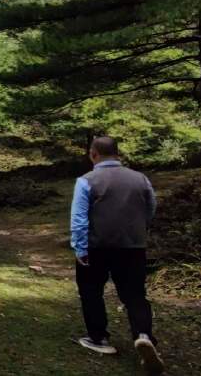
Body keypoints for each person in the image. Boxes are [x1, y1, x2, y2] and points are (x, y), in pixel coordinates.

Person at [71, 137, 165, 374]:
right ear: (117, 153)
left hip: (96, 246)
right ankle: (143, 334)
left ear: (93, 154)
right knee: (135, 294)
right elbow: (151, 208)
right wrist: (139, 229)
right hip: (133, 246)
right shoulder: (140, 179)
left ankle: (98, 338)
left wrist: (80, 248)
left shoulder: (86, 181)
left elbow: (79, 219)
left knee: (91, 290)